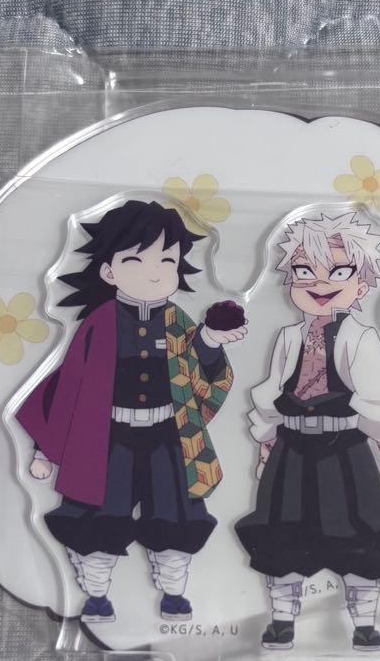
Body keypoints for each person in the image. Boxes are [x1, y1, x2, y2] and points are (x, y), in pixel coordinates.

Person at [16, 199, 246, 623]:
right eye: (135, 261)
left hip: (167, 437)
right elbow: (69, 386)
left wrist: (211, 343)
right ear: (109, 271)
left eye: (166, 261)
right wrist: (46, 449)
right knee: (99, 513)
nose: (153, 272)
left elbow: (203, 373)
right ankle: (96, 593)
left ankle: (174, 590)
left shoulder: (178, 321)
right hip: (109, 440)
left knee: (175, 513)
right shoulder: (99, 322)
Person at [235, 209, 380, 652]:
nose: (318, 282)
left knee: (358, 531)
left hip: (345, 450)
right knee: (283, 532)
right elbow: (272, 393)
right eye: (303, 271)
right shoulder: (289, 337)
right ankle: (282, 620)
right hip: (292, 450)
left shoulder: (362, 338)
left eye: (337, 272)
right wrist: (265, 449)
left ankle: (365, 623)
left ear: (362, 283)